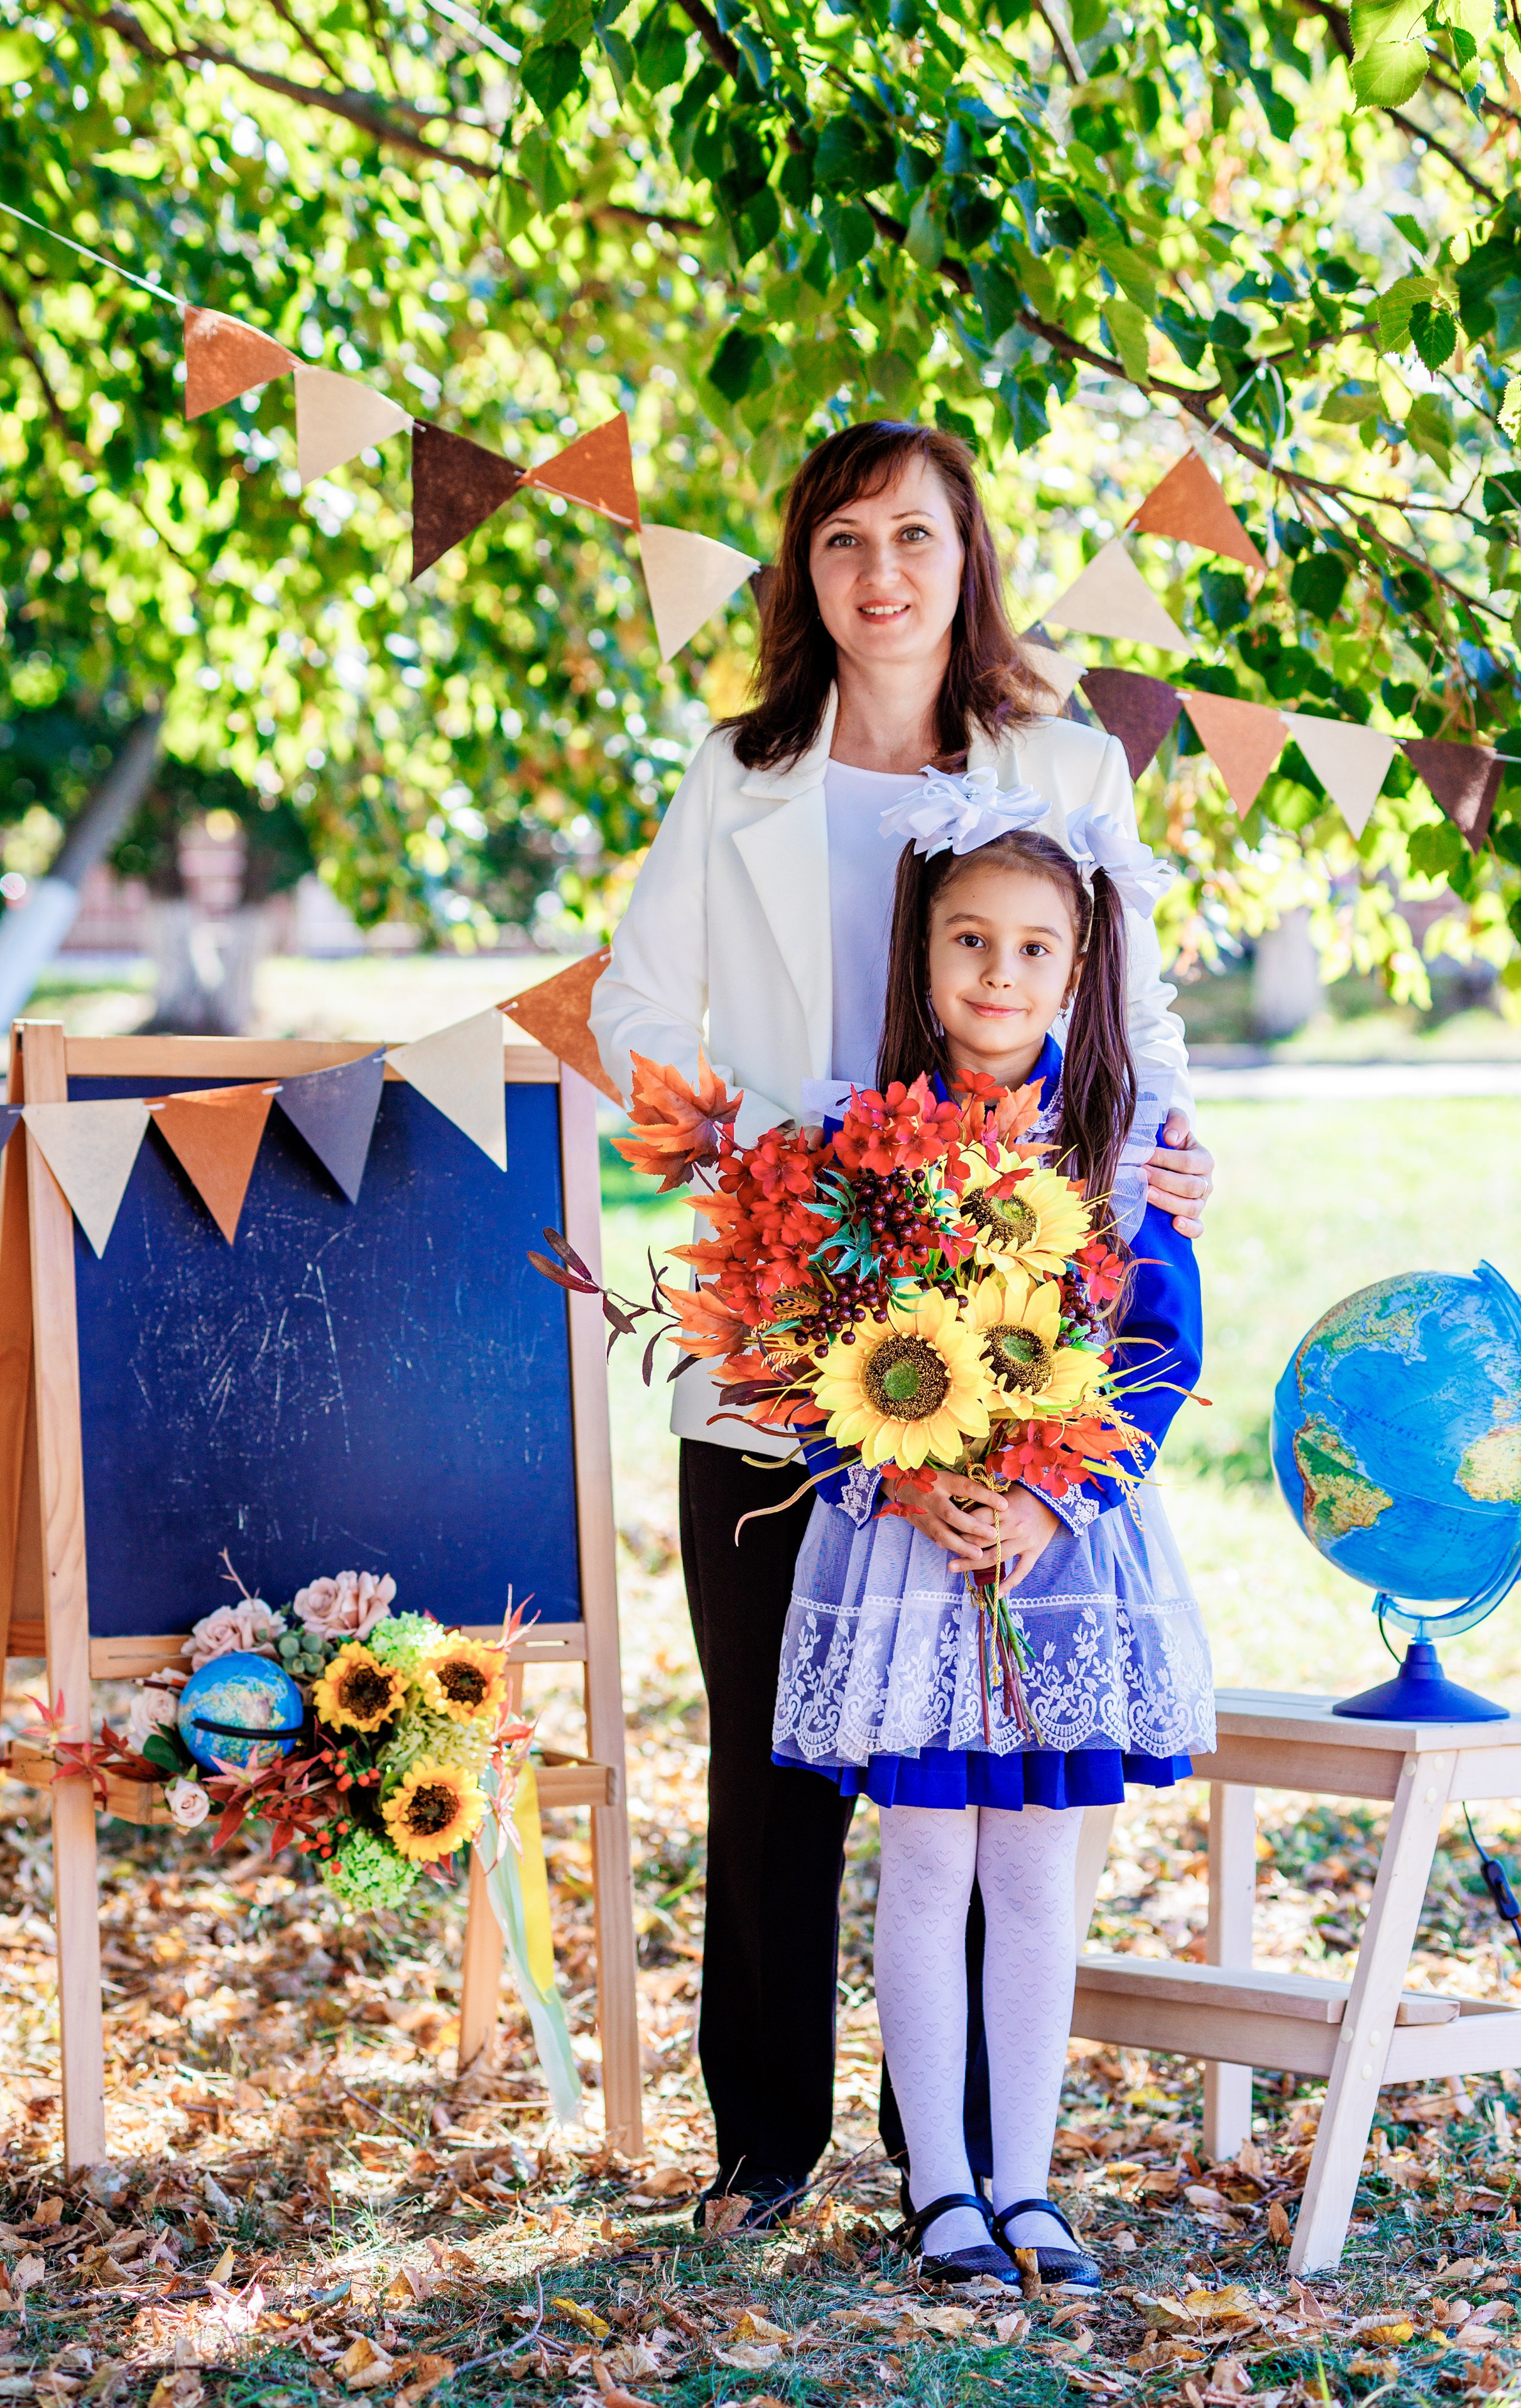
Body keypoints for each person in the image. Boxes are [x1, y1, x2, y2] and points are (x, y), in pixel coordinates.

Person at [591, 420, 1216, 2223]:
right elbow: (638, 1001)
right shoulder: (740, 772)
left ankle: (948, 2152)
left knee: (970, 1758)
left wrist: (1167, 1163)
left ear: (969, 559)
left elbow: (1137, 1014)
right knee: (780, 1745)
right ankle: (767, 2140)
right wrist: (766, 1152)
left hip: (1008, 1323)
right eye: (845, 537)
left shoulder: (1063, 757)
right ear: (802, 567)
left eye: (917, 536)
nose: (880, 571)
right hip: (794, 1322)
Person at [771, 786, 1212, 2289]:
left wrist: (1043, 1499)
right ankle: (939, 2189)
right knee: (926, 1859)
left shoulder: (1127, 1145)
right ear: (923, 954)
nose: (998, 976)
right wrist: (905, 1477)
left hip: (1059, 1550)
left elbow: (1158, 1347)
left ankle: (1028, 2185)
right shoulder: (859, 1140)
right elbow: (804, 1339)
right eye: (969, 941)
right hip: (908, 1543)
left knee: (1036, 1875)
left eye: (1033, 948)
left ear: (1079, 969)